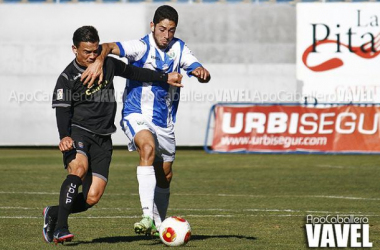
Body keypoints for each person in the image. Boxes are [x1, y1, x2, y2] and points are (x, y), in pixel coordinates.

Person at [43, 25, 183, 244]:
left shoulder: (106, 63)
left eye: (95, 50)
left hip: (103, 138)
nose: (91, 56)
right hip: (78, 133)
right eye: (86, 51)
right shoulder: (67, 79)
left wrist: (165, 77)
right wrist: (64, 136)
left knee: (92, 197)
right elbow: (62, 111)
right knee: (79, 169)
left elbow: (135, 72)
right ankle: (60, 228)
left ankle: (54, 212)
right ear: (74, 49)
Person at [81, 5, 211, 236]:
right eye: (162, 29)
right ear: (152, 26)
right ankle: (147, 216)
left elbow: (196, 67)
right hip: (135, 114)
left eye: (171, 30)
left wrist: (202, 72)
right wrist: (99, 60)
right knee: (147, 147)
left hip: (164, 121)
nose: (166, 35)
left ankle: (158, 224)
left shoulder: (178, 48)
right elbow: (108, 46)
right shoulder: (140, 47)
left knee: (165, 174)